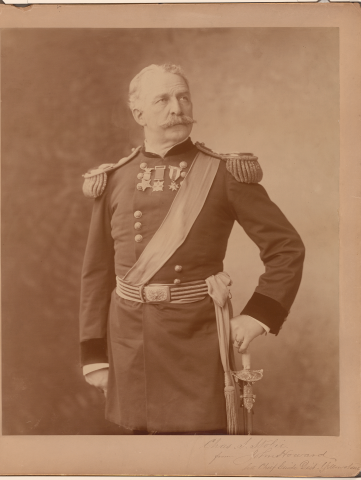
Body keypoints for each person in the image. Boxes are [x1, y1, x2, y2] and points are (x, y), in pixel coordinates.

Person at [79, 64, 305, 435]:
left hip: (197, 342)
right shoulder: (116, 178)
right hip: (129, 344)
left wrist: (257, 315)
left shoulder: (224, 174)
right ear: (138, 113)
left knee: (201, 454)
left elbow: (286, 247)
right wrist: (93, 355)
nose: (177, 108)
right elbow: (96, 273)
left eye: (183, 96)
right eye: (163, 99)